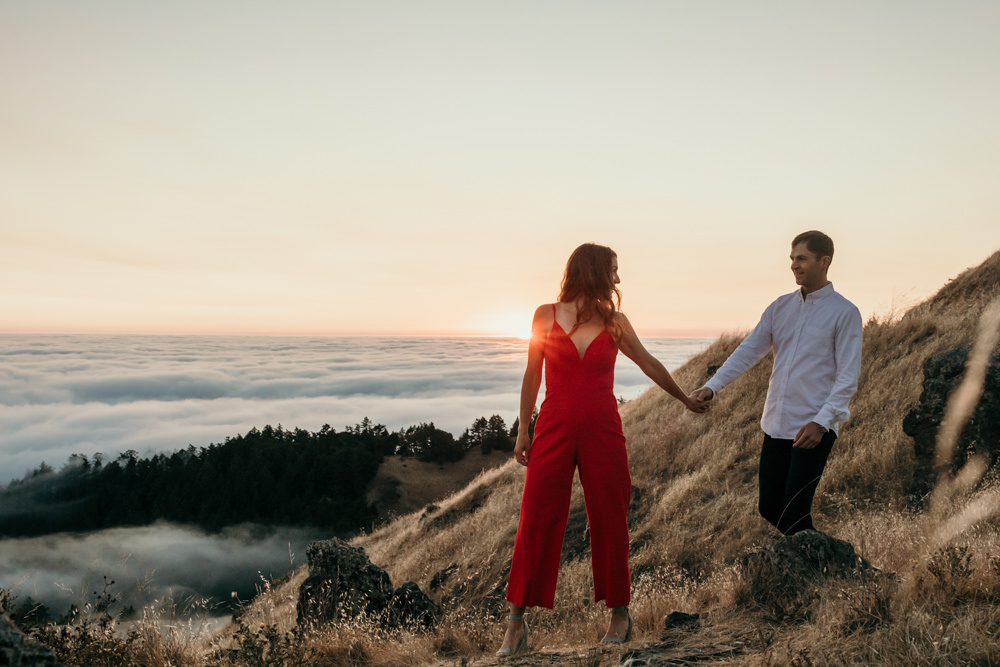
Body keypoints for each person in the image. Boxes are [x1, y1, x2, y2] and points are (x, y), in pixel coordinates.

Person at [495, 243, 707, 658]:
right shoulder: (544, 315)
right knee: (536, 518)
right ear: (593, 271)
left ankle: (619, 615)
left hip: (603, 430)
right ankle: (515, 626)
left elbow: (648, 364)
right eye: (613, 269)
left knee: (610, 516)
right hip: (553, 427)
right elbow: (531, 375)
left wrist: (683, 398)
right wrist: (524, 430)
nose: (618, 278)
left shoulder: (616, 322)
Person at [690, 230, 862, 536]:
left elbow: (848, 377)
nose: (794, 265)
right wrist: (713, 386)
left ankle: (830, 566)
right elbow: (748, 351)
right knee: (769, 506)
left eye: (802, 258)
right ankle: (827, 560)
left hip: (813, 428)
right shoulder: (779, 307)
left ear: (825, 261)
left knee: (795, 511)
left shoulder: (844, 313)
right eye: (792, 259)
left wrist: (821, 422)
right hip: (776, 425)